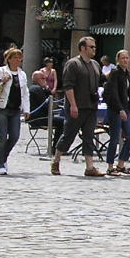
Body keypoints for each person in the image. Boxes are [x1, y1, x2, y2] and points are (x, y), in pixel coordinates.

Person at [51, 36, 104, 177]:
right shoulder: (73, 64)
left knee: (89, 136)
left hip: (91, 107)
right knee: (68, 135)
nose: (94, 49)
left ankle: (89, 167)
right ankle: (56, 160)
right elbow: (68, 86)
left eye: (94, 47)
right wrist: (73, 105)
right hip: (77, 107)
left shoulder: (95, 65)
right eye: (91, 47)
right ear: (82, 48)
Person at [0, 47, 30, 176]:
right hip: (1, 108)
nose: (18, 60)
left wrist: (27, 109)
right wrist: (0, 81)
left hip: (15, 109)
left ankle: (3, 157)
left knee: (14, 136)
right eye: (15, 57)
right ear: (8, 59)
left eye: (19, 57)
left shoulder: (22, 74)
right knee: (2, 136)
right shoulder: (0, 71)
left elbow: (25, 93)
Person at [103, 49, 130, 176]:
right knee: (115, 137)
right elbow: (113, 93)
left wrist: (129, 108)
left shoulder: (126, 73)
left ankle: (121, 164)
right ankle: (110, 167)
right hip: (115, 109)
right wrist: (120, 109)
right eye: (123, 58)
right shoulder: (115, 73)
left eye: (127, 58)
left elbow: (127, 92)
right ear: (118, 60)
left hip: (126, 109)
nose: (125, 60)